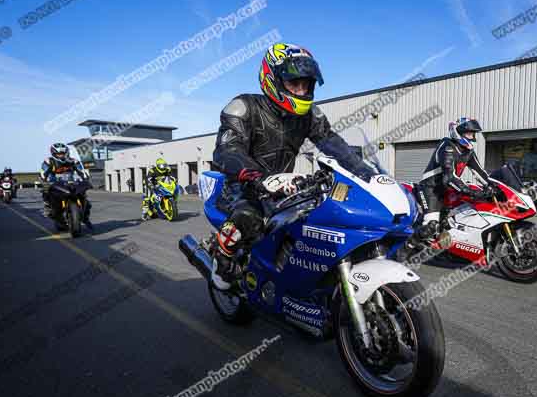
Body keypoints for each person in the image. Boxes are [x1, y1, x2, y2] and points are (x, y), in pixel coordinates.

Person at [209, 42, 371, 290]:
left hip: (285, 187)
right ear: (272, 79)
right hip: (243, 186)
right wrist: (259, 178)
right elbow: (227, 150)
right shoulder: (244, 107)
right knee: (250, 216)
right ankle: (222, 257)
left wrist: (367, 173)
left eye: (306, 84)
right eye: (294, 83)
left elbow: (334, 144)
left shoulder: (309, 116)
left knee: (317, 218)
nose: (301, 89)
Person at [409, 117, 497, 247]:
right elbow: (449, 177)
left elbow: (480, 172)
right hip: (431, 189)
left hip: (448, 189)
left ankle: (451, 244)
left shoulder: (468, 151)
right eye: (469, 133)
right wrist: (471, 191)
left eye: (473, 133)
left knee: (457, 217)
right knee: (431, 225)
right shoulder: (448, 147)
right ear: (458, 132)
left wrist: (494, 185)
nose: (472, 136)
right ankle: (409, 246)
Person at [40, 143, 92, 226]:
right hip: (55, 184)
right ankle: (47, 206)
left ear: (67, 152)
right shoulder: (49, 161)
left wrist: (86, 179)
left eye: (63, 153)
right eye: (59, 154)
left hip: (71, 183)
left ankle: (85, 218)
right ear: (54, 154)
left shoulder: (74, 161)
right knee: (45, 191)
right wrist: (44, 181)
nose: (61, 155)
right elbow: (43, 173)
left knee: (86, 200)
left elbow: (81, 171)